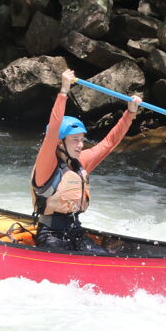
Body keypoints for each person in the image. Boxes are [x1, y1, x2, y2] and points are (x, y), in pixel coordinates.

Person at [31, 68, 142, 253]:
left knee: (104, 257)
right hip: (50, 235)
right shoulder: (47, 165)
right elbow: (53, 129)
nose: (81, 145)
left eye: (82, 140)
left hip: (76, 232)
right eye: (75, 140)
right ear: (60, 143)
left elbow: (109, 143)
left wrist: (130, 113)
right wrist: (64, 91)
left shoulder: (81, 162)